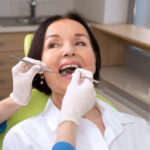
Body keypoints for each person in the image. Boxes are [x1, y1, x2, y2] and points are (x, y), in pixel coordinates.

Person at [2, 12, 150, 150]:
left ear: (95, 59)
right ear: (38, 69)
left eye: (80, 43)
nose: (68, 50)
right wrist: (16, 99)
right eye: (53, 44)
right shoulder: (21, 139)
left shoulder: (140, 129)